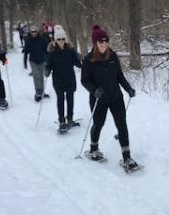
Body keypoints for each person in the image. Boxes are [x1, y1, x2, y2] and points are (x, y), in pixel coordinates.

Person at [81, 25, 139, 172]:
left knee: (122, 125)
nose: (104, 44)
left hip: (115, 97)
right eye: (101, 41)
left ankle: (127, 158)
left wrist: (128, 89)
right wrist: (94, 90)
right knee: (98, 124)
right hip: (99, 99)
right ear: (95, 43)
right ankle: (93, 149)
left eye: (106, 41)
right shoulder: (88, 60)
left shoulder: (112, 56)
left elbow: (119, 75)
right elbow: (84, 80)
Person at [45, 25, 82, 131]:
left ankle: (70, 118)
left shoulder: (70, 50)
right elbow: (48, 65)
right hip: (58, 80)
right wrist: (47, 71)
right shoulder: (52, 53)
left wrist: (81, 62)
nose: (61, 41)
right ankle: (62, 121)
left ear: (65, 39)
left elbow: (76, 62)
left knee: (70, 99)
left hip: (70, 78)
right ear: (55, 40)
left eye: (63, 39)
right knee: (60, 99)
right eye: (59, 39)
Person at [23, 25, 49, 101]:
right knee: (36, 76)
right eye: (32, 32)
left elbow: (47, 50)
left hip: (42, 60)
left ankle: (42, 92)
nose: (33, 33)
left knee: (41, 76)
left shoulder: (43, 40)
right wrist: (24, 63)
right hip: (33, 60)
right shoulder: (28, 40)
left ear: (37, 32)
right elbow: (26, 52)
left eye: (35, 31)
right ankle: (38, 92)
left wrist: (48, 60)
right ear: (30, 32)